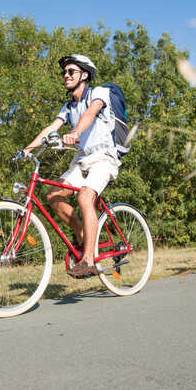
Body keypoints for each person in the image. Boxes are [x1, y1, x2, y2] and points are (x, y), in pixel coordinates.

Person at [22, 54, 120, 278]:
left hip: (104, 157)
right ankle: (82, 239)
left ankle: (88, 260)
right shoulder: (68, 106)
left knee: (85, 197)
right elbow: (51, 128)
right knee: (53, 196)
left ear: (84, 75)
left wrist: (75, 133)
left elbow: (91, 113)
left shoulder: (98, 93)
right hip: (83, 160)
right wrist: (26, 149)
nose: (66, 75)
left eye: (71, 72)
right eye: (64, 72)